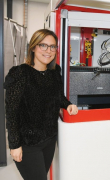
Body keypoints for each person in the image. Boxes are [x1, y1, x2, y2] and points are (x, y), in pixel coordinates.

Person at [4, 29, 78, 180]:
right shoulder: (20, 74)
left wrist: (68, 104)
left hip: (49, 140)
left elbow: (58, 96)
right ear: (33, 47)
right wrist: (14, 145)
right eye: (43, 45)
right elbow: (11, 112)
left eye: (52, 46)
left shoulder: (54, 72)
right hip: (28, 144)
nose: (48, 50)